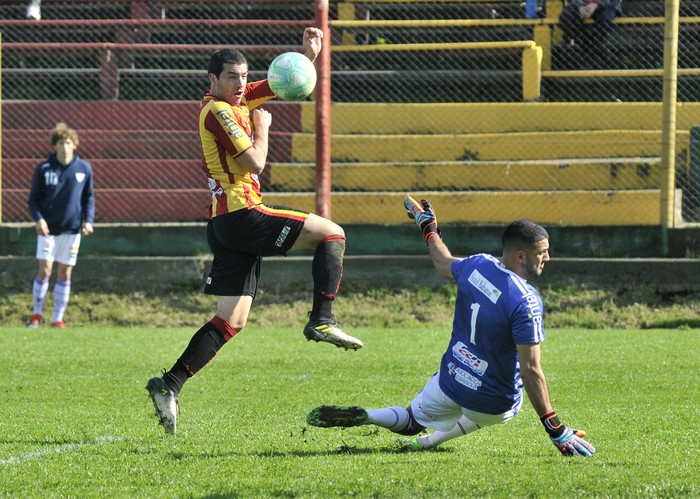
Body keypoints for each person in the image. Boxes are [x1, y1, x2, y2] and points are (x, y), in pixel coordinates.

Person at [146, 27, 363, 435]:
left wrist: (308, 56)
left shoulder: (238, 97)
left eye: (245, 76)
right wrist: (263, 128)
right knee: (333, 233)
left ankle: (168, 385)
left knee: (232, 319)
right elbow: (253, 164)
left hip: (225, 224)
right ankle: (322, 317)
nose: (241, 84)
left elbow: (279, 84)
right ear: (212, 80)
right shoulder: (218, 111)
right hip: (244, 215)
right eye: (232, 77)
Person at [306, 196, 596, 457]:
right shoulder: (526, 301)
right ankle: (431, 441)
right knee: (506, 407)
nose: (548, 258)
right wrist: (555, 428)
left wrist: (429, 228)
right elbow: (532, 370)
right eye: (542, 252)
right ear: (521, 255)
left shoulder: (477, 265)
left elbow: (442, 261)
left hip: (454, 378)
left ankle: (371, 416)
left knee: (410, 421)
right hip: (494, 401)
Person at [27, 122, 95, 329]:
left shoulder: (84, 168)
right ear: (54, 146)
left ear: (74, 145)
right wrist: (39, 219)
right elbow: (33, 199)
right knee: (45, 271)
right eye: (60, 143)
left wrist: (88, 221)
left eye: (67, 143)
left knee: (65, 272)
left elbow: (88, 198)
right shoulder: (44, 168)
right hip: (48, 231)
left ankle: (57, 318)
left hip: (72, 230)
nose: (64, 147)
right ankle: (36, 316)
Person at [559, 0, 623, 69]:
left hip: (606, 7)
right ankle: (599, 47)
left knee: (606, 15)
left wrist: (598, 5)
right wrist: (580, 6)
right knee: (566, 16)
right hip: (582, 6)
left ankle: (588, 51)